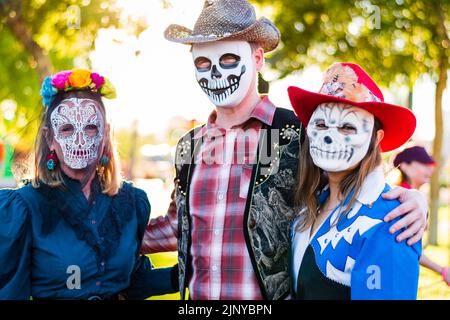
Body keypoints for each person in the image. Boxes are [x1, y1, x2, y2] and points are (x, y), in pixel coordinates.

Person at [141, 0, 428, 300]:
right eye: (202, 62)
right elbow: (179, 226)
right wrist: (106, 235)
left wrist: (414, 200)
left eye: (227, 58)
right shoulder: (190, 146)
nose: (214, 72)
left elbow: (351, 181)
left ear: (258, 58)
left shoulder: (297, 135)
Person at [0, 69, 178, 300]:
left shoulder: (131, 202)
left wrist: (184, 275)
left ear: (106, 134)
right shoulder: (25, 208)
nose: (80, 140)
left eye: (91, 127)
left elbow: (127, 281)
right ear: (49, 138)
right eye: (66, 129)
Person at [288, 62, 422, 299]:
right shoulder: (309, 205)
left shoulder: (390, 220)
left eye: (348, 127)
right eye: (320, 124)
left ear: (376, 137)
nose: (330, 137)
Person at [393, 146, 449, 286]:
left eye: (430, 165)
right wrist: (442, 271)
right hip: (395, 278)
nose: (430, 169)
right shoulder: (401, 200)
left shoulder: (415, 198)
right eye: (423, 164)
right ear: (405, 166)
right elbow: (407, 246)